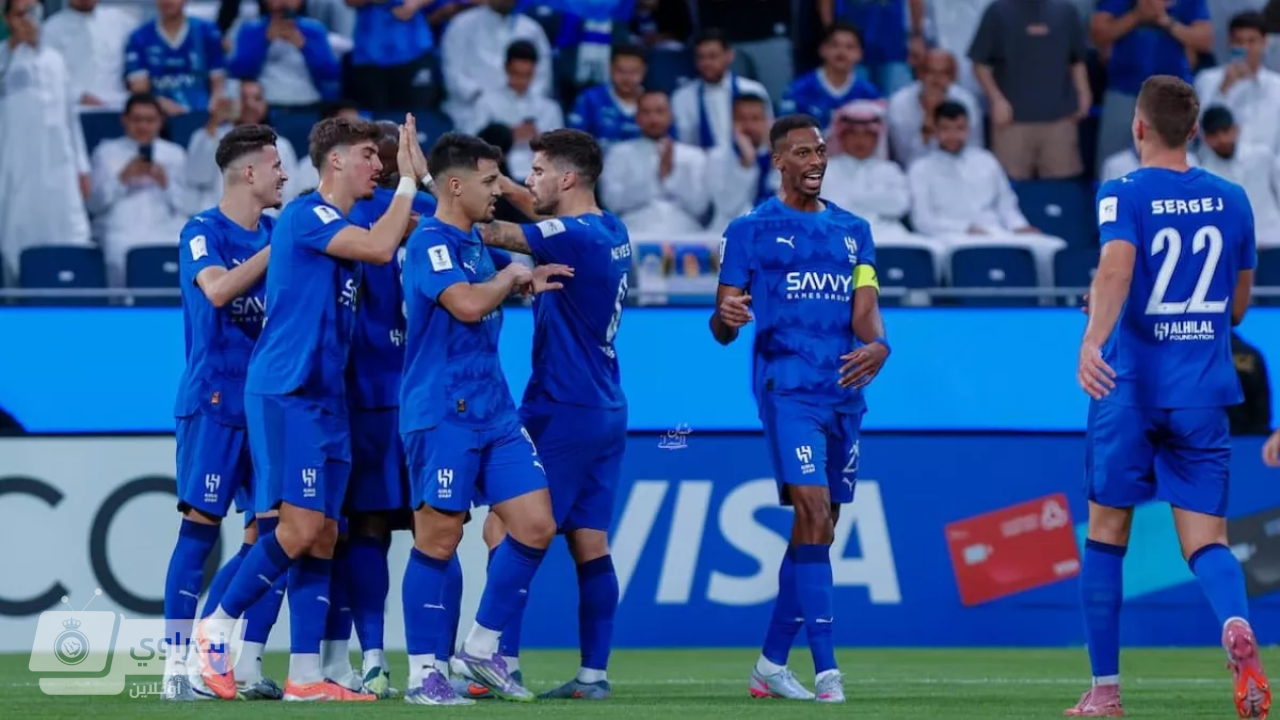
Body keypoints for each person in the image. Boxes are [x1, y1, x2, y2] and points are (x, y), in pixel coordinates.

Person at [192, 114, 419, 703]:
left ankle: (305, 676)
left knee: (324, 535)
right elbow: (379, 247)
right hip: (286, 391)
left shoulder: (339, 224)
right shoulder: (304, 215)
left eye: (383, 158)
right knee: (295, 529)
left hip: (328, 398)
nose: (379, 165)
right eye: (369, 154)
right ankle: (214, 631)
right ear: (336, 160)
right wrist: (409, 180)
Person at [1071, 75, 1267, 719]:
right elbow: (1236, 306)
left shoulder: (1122, 191)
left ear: (1138, 127)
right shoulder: (1234, 198)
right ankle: (1235, 623)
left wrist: (1093, 337)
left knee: (1107, 536)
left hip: (1129, 389)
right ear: (1195, 130)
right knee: (1207, 541)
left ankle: (1105, 692)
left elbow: (1117, 267)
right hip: (1202, 392)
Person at [711, 114, 889, 704]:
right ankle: (828, 671)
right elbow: (723, 323)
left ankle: (769, 664)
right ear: (778, 161)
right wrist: (727, 318)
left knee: (823, 525)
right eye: (803, 153)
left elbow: (864, 310)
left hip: (844, 392)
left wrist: (880, 344)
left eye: (819, 151)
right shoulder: (749, 230)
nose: (815, 161)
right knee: (811, 509)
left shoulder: (855, 230)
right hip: (786, 390)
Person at [396, 132, 570, 704]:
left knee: (536, 524)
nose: (499, 190)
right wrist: (511, 277)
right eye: (490, 181)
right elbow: (468, 303)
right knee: (439, 538)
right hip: (441, 412)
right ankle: (422, 672)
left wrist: (524, 277)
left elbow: (505, 274)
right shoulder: (430, 242)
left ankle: (479, 646)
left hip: (494, 411)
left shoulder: (472, 238)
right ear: (456, 185)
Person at [472, 128, 630, 700]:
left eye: (537, 170)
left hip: (561, 405)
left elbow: (493, 231)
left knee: (506, 526)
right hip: (605, 405)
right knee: (590, 542)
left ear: (566, 178)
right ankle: (593, 676)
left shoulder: (571, 236)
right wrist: (501, 182)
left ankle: (495, 659)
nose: (527, 179)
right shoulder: (611, 228)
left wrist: (428, 203)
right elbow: (529, 204)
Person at [161, 124, 287, 702]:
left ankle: (226, 658)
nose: (284, 174)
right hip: (213, 399)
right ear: (248, 172)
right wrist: (279, 250)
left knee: (273, 535)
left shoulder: (275, 231)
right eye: (276, 164)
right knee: (199, 530)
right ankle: (174, 668)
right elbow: (215, 291)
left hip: (266, 405)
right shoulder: (201, 231)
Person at [340, 121, 436, 699]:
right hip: (417, 391)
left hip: (375, 393)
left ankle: (376, 659)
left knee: (371, 530)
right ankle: (430, 663)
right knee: (432, 529)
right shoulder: (431, 210)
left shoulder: (349, 213)